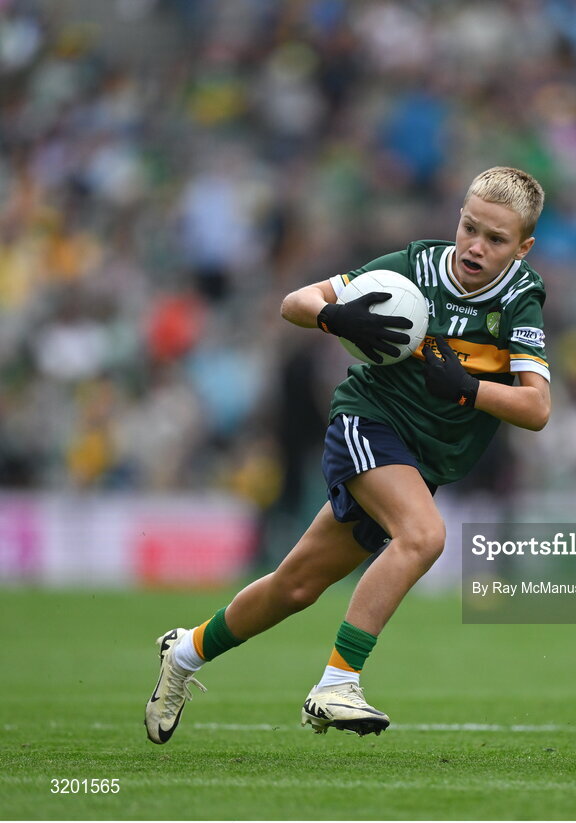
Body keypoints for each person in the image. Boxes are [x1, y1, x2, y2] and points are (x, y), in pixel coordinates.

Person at [145, 167, 551, 744]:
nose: (475, 246)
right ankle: (337, 684)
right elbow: (296, 302)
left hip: (421, 458)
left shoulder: (519, 298)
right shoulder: (414, 267)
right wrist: (334, 315)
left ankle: (184, 653)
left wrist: (466, 389)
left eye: (496, 239)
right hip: (369, 421)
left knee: (295, 586)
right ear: (458, 218)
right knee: (424, 536)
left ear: (523, 248)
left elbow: (536, 408)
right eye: (469, 228)